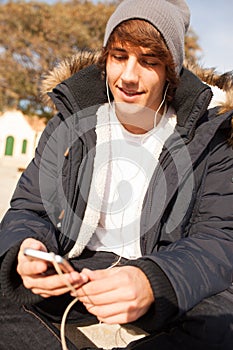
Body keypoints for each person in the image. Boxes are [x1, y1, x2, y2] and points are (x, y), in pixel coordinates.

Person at [0, 0, 233, 349]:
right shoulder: (69, 120)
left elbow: (218, 239)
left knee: (221, 321)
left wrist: (155, 281)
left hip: (163, 286)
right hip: (74, 277)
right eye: (119, 56)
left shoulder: (211, 134)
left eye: (149, 61)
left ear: (171, 71)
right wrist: (28, 250)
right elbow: (28, 209)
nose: (128, 76)